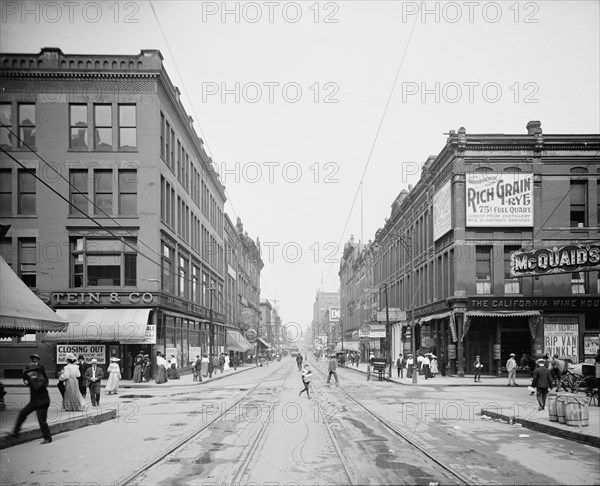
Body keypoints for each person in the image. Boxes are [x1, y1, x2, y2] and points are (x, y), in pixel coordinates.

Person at [9, 354, 52, 444]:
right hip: (34, 402)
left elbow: (37, 386)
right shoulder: (32, 377)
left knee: (42, 421)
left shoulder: (40, 378)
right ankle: (15, 432)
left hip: (43, 403)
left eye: (30, 371)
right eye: (28, 371)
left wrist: (30, 379)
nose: (29, 373)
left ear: (35, 371)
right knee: (22, 413)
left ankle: (47, 438)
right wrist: (27, 377)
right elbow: (26, 378)